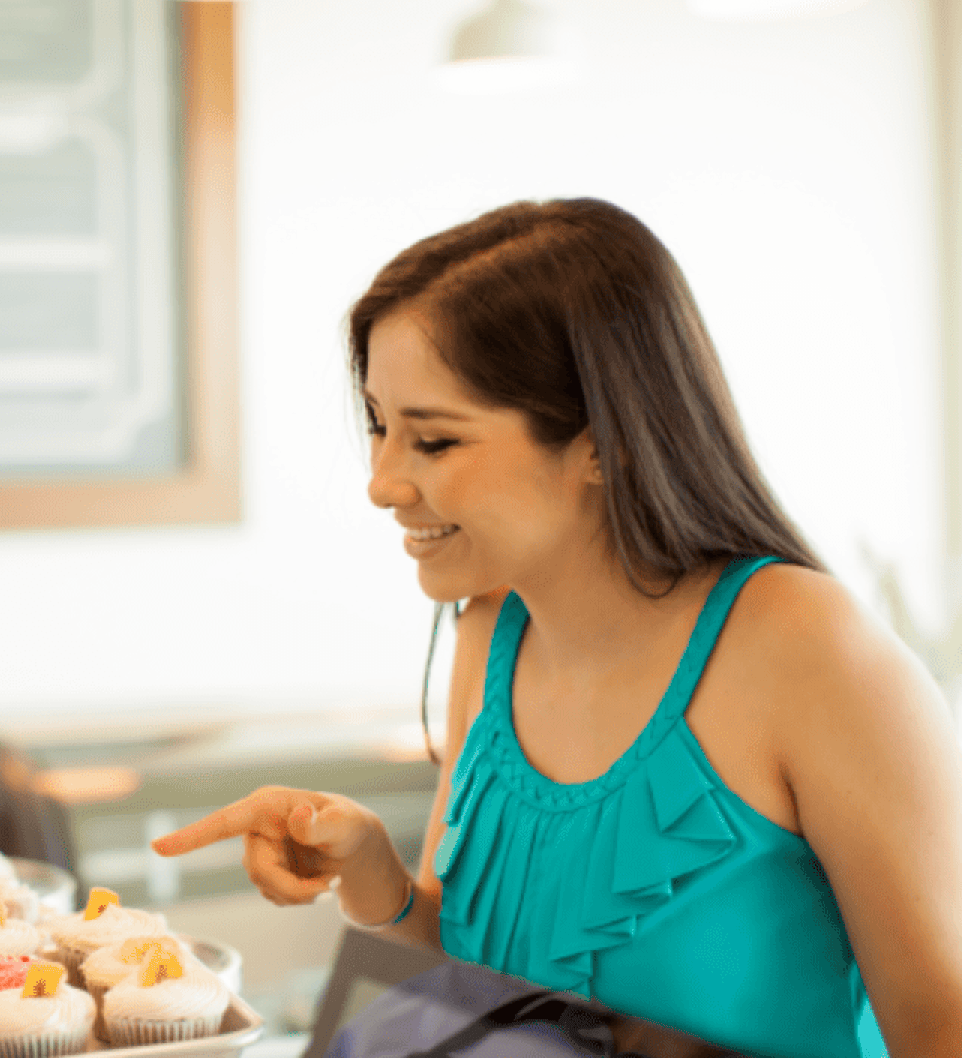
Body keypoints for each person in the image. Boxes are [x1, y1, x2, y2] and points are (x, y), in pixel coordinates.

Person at [152, 199, 962, 1058]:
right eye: (380, 428)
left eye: (433, 441)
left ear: (601, 442)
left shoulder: (807, 649)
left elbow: (941, 1030)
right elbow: (485, 1011)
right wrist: (373, 876)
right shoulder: (488, 633)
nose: (382, 483)